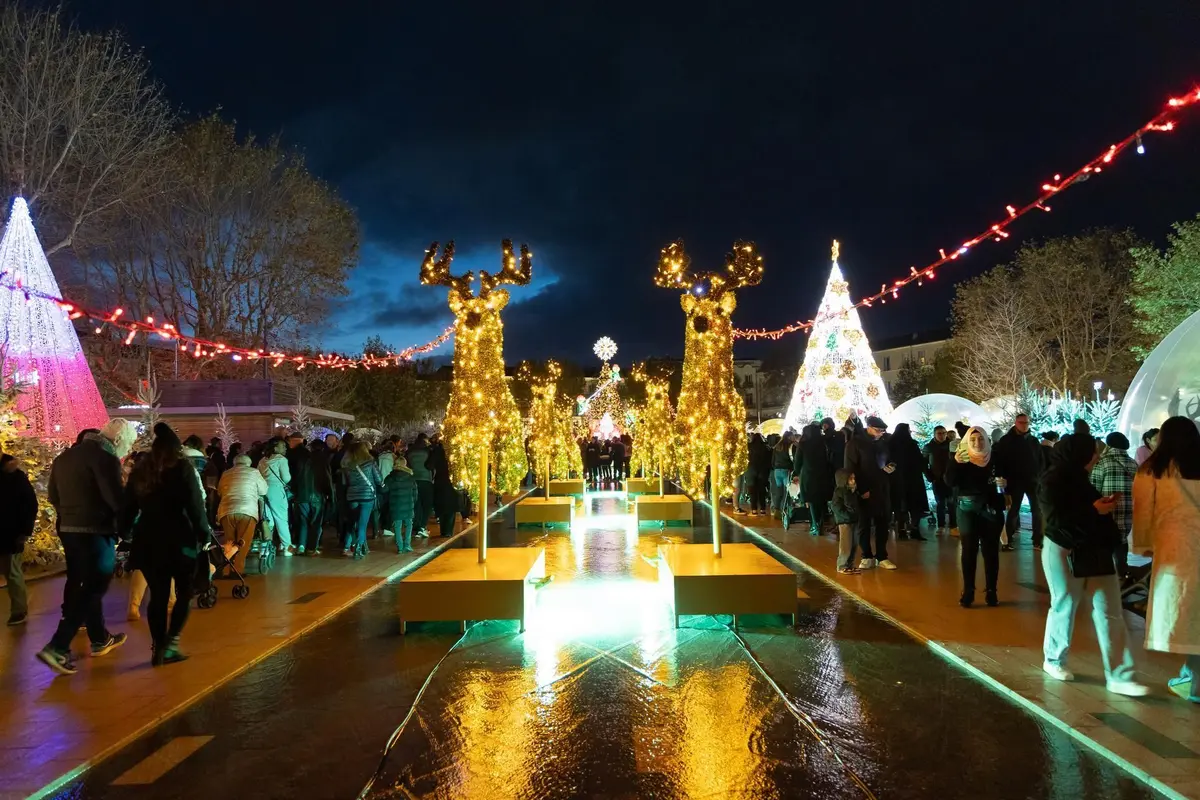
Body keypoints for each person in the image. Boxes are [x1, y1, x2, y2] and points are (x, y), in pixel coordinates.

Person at [1039, 433, 1148, 696]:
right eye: (1092, 452)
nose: (1096, 457)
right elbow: (1055, 520)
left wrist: (1102, 508)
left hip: (1095, 551)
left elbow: (1086, 510)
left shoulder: (1082, 479)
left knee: (1110, 609)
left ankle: (1120, 675)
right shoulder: (1051, 480)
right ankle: (1053, 660)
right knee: (1065, 604)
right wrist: (1094, 510)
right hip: (1063, 551)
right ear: (1078, 454)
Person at [36, 419, 136, 676]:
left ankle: (99, 637)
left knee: (85, 585)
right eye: (128, 445)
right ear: (118, 441)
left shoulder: (65, 457)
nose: (126, 452)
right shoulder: (105, 459)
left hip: (69, 530)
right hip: (96, 531)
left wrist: (69, 516)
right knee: (94, 587)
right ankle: (57, 646)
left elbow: (53, 496)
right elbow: (116, 500)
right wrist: (126, 530)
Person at [120, 424, 212, 666]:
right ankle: (171, 643)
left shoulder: (142, 471)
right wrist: (204, 533)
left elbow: (128, 506)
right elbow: (195, 506)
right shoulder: (182, 468)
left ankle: (158, 646)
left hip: (148, 539)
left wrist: (125, 531)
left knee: (158, 595)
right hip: (180, 539)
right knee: (185, 592)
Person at [1132, 416, 1200, 704]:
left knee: (1185, 613)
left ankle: (1195, 684)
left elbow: (1144, 510)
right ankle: (1190, 673)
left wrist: (1144, 545)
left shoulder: (1154, 469)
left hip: (1176, 550)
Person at [945, 426, 1005, 608]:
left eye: (980, 439)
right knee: (969, 550)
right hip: (967, 508)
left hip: (991, 509)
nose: (977, 443)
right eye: (972, 440)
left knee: (991, 552)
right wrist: (955, 462)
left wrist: (1005, 484)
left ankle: (991, 591)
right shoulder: (961, 458)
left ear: (986, 440)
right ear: (966, 442)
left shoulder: (994, 458)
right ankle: (968, 590)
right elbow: (949, 481)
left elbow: (1007, 478)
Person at [845, 416, 896, 570]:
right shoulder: (855, 443)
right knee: (864, 524)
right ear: (869, 427)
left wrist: (891, 466)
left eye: (883, 431)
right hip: (864, 490)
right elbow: (850, 468)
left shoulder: (883, 443)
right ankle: (866, 555)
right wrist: (860, 489)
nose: (881, 433)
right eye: (878, 430)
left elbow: (890, 459)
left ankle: (882, 556)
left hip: (881, 488)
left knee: (882, 523)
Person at [993, 413, 1045, 551]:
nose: (1024, 425)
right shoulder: (1006, 441)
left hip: (1032, 481)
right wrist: (1002, 479)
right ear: (1016, 423)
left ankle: (1037, 539)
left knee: (1037, 510)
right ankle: (1007, 539)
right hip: (1014, 481)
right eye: (1022, 423)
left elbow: (1040, 460)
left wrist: (1039, 476)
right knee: (1013, 510)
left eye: (1026, 423)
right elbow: (1000, 461)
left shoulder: (1033, 441)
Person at [1090, 432, 1138, 579]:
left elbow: (1094, 487)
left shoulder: (1102, 462)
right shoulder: (1133, 463)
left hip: (1108, 507)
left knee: (1105, 538)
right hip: (1129, 508)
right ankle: (1122, 570)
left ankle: (1106, 572)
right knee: (1121, 538)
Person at [1, 451, 38, 626]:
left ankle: (19, 610)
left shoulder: (15, 476)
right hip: (9, 531)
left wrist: (24, 531)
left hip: (10, 532)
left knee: (12, 571)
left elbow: (30, 504)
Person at [217, 454, 268, 574]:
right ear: (248, 463)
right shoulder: (254, 472)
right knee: (242, 541)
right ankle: (238, 570)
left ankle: (226, 569)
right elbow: (264, 490)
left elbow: (220, 491)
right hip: (247, 511)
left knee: (229, 540)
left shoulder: (226, 473)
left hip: (227, 510)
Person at [341, 441, 383, 558]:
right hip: (367, 496)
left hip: (352, 496)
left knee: (353, 522)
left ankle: (358, 546)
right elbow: (379, 479)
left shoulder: (346, 465)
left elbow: (345, 483)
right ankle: (358, 548)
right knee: (362, 524)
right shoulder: (370, 463)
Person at [889, 423, 929, 541]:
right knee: (915, 506)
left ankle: (901, 530)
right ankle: (914, 530)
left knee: (900, 506)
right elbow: (920, 461)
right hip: (913, 480)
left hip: (897, 480)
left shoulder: (890, 444)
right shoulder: (912, 444)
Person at [795, 424, 834, 535]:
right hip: (823, 475)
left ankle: (814, 524)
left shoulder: (803, 444)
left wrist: (797, 472)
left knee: (811, 500)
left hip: (808, 476)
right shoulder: (824, 443)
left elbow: (798, 462)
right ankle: (820, 522)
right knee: (821, 500)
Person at [258, 440, 294, 556]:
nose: (285, 448)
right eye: (282, 446)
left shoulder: (263, 460)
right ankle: (286, 546)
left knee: (267, 519)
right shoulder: (281, 459)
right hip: (276, 490)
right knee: (281, 518)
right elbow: (286, 478)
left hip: (262, 490)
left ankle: (265, 548)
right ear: (275, 448)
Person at [290, 443, 325, 555]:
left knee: (303, 522)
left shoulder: (300, 463)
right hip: (317, 496)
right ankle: (312, 548)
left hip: (302, 496)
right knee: (316, 522)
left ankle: (301, 545)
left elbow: (294, 480)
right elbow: (326, 480)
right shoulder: (321, 463)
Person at [923, 426, 956, 534]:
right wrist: (930, 477)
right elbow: (924, 464)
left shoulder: (951, 445)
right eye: (939, 433)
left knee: (952, 503)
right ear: (934, 434)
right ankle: (941, 525)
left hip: (951, 478)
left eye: (943, 433)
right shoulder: (929, 447)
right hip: (937, 479)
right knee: (940, 503)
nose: (942, 435)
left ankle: (953, 525)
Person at [384, 456, 418, 553]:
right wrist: (413, 502)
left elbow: (384, 490)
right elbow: (415, 492)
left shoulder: (390, 477)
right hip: (408, 505)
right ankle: (407, 544)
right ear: (404, 464)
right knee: (408, 524)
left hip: (396, 506)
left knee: (397, 526)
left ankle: (400, 547)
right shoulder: (410, 477)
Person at [830, 468, 861, 575]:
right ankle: (842, 565)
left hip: (853, 520)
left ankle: (850, 564)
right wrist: (847, 515)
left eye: (854, 478)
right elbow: (836, 507)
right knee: (846, 544)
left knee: (854, 543)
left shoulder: (852, 491)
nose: (853, 481)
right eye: (850, 479)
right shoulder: (840, 492)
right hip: (845, 522)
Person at [429, 434, 458, 538]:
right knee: (451, 508)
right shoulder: (456, 451)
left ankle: (443, 531)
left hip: (440, 481)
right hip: (452, 482)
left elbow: (429, 465)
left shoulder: (437, 451)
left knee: (442, 507)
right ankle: (449, 531)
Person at [407, 434, 435, 538]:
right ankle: (422, 527)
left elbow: (407, 465)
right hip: (426, 480)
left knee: (417, 505)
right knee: (427, 504)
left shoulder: (410, 452)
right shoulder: (428, 451)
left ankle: (417, 526)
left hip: (414, 480)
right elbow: (431, 466)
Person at [745, 433, 770, 515]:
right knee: (762, 490)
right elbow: (769, 460)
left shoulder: (748, 446)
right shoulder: (765, 447)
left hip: (750, 470)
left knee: (752, 491)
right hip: (762, 471)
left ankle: (754, 509)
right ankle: (763, 509)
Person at [769, 433, 793, 517]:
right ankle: (786, 510)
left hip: (777, 471)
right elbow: (791, 459)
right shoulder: (789, 446)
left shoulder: (777, 446)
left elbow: (772, 460)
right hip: (786, 470)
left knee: (779, 491)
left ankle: (776, 510)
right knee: (787, 491)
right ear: (789, 437)